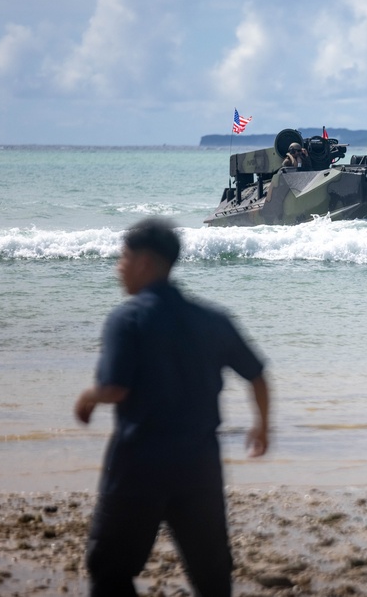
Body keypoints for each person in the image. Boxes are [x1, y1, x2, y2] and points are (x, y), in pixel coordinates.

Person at [74, 217, 270, 597]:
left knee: (109, 569)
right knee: (211, 576)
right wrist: (262, 426)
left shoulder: (127, 317)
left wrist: (87, 397)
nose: (118, 267)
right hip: (200, 462)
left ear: (144, 263)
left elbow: (115, 388)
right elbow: (257, 374)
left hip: (140, 460)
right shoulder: (211, 318)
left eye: (123, 258)